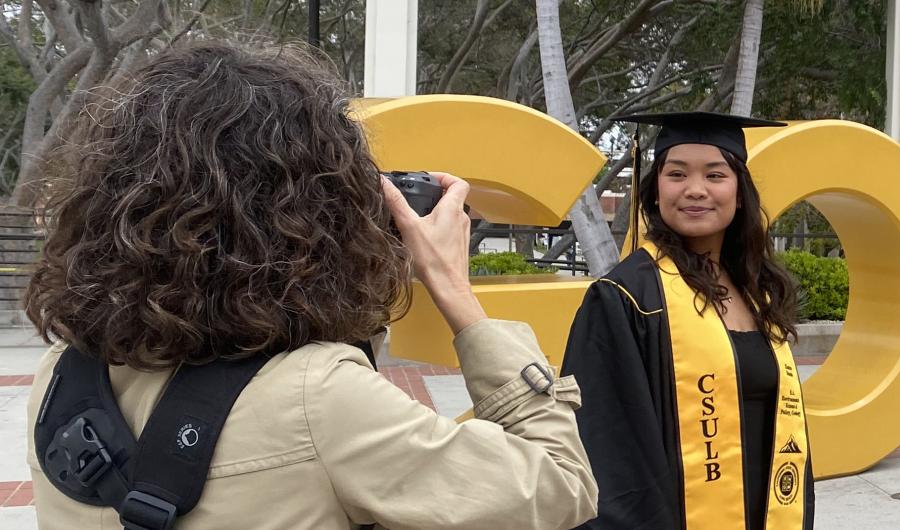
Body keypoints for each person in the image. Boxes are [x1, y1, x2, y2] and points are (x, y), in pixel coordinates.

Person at [22, 42, 596, 529]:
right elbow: (561, 486)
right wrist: (455, 290)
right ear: (321, 210)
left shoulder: (63, 372)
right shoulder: (320, 400)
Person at [564, 112, 814, 529]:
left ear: (739, 192)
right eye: (676, 174)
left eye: (715, 176)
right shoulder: (625, 299)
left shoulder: (757, 291)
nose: (695, 190)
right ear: (656, 189)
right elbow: (606, 451)